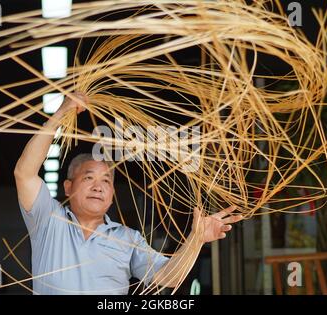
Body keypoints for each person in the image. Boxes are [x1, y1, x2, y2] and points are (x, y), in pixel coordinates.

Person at [14, 92, 243, 294]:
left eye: (106, 180)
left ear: (112, 192)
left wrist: (196, 240)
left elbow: (168, 277)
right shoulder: (48, 220)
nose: (98, 186)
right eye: (88, 178)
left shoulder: (127, 239)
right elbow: (24, 173)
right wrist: (60, 114)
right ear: (68, 186)